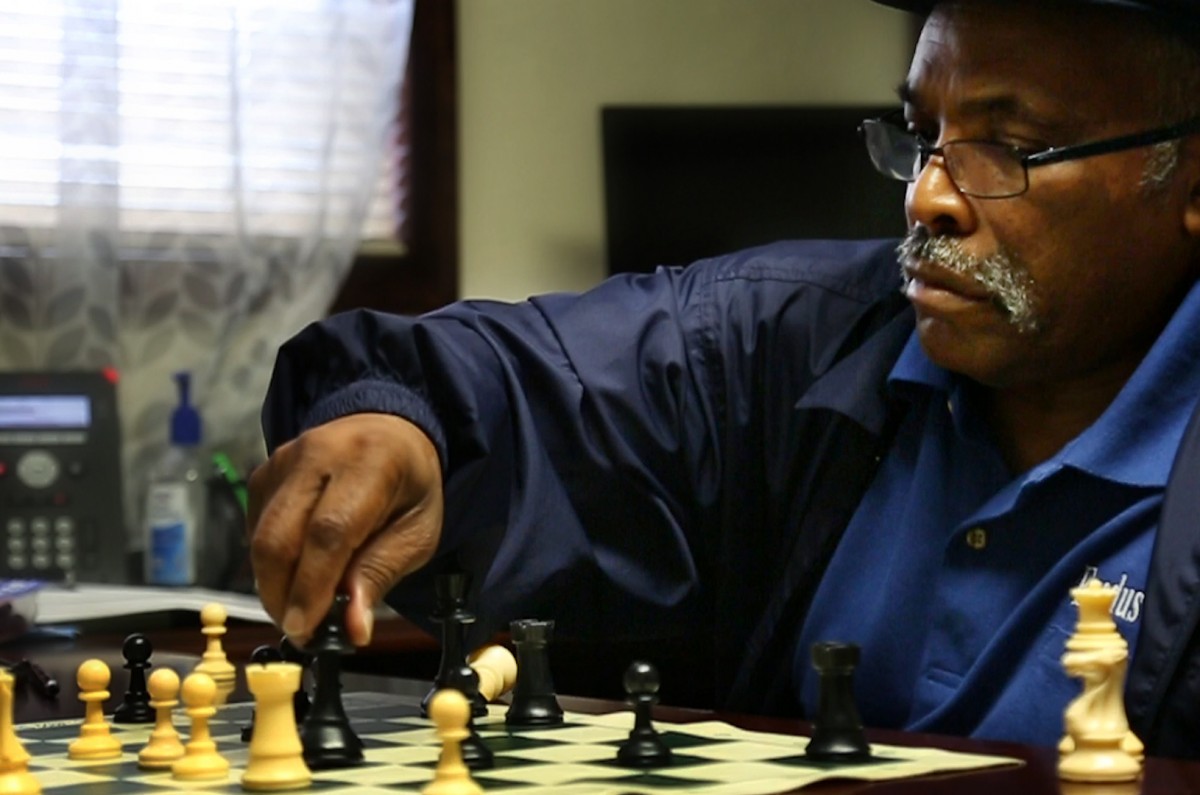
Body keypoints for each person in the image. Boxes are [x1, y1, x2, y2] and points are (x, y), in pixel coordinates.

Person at [247, 0, 1200, 756]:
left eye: (1008, 147)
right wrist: (400, 420)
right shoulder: (801, 339)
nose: (927, 194)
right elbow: (519, 376)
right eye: (922, 132)